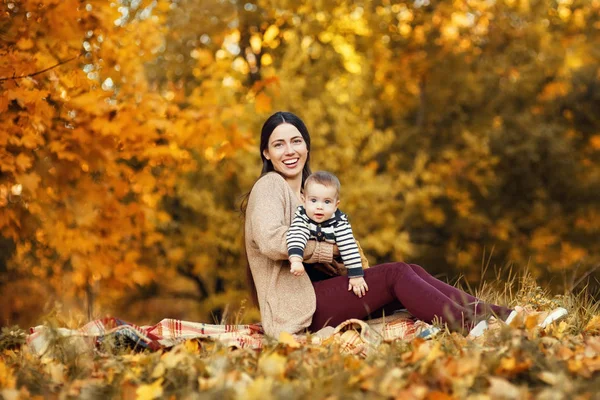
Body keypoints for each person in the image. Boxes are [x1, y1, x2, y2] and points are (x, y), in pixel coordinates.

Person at [242, 111, 565, 339]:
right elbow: (271, 242)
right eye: (279, 144)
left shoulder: (310, 195)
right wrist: (327, 249)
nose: (289, 150)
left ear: (307, 146)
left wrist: (345, 256)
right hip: (300, 309)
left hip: (319, 296)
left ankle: (506, 317)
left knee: (411, 271)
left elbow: (339, 251)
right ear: (266, 153)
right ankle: (475, 329)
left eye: (295, 141)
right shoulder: (270, 185)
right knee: (396, 273)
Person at [286, 171, 365, 288]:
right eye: (313, 200)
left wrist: (356, 275)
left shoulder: (339, 223)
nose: (319, 207)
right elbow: (296, 235)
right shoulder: (302, 217)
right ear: (303, 200)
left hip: (336, 269)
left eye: (327, 202)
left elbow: (348, 247)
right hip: (311, 271)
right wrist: (296, 260)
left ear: (336, 205)